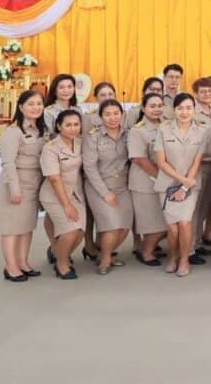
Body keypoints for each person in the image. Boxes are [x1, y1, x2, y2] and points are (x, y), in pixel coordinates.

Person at [0, 89, 48, 281]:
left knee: (26, 225)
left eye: (39, 104)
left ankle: (23, 262)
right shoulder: (13, 131)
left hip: (34, 183)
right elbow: (8, 162)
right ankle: (10, 266)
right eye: (31, 104)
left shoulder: (42, 130)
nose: (36, 108)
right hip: (15, 182)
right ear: (21, 107)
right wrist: (14, 188)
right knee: (11, 227)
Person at [153, 93, 208, 277]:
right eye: (180, 108)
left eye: (188, 108)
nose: (184, 112)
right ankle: (173, 256)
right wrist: (181, 180)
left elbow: (197, 162)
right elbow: (161, 162)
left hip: (190, 185)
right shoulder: (163, 129)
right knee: (172, 228)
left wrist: (185, 186)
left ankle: (184, 259)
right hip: (167, 185)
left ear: (194, 110)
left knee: (184, 223)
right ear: (174, 110)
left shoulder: (202, 131)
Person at [82, 99, 132, 275]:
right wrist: (105, 192)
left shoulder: (128, 134)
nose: (112, 118)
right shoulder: (93, 136)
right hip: (99, 186)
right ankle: (104, 260)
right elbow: (89, 167)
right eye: (108, 114)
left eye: (116, 113)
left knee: (124, 227)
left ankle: (105, 252)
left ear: (122, 114)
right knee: (111, 226)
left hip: (122, 186)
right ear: (100, 116)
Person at [40, 109, 86, 280]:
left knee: (80, 231)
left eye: (76, 124)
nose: (73, 128)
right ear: (59, 126)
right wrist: (67, 206)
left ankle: (55, 251)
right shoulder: (50, 148)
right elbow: (54, 179)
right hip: (54, 194)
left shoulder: (80, 142)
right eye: (68, 125)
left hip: (76, 193)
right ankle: (62, 263)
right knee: (70, 231)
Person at [128, 94, 167, 266]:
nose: (157, 109)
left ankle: (149, 247)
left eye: (160, 105)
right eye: (152, 105)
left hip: (163, 180)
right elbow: (139, 159)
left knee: (163, 220)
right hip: (145, 182)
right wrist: (162, 178)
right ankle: (146, 252)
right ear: (143, 108)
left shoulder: (166, 125)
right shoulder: (138, 130)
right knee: (153, 222)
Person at [191, 77, 211, 257]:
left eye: (210, 91)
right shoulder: (192, 112)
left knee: (204, 206)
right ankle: (189, 248)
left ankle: (197, 240)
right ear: (196, 93)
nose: (207, 94)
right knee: (194, 207)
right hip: (198, 166)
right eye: (203, 91)